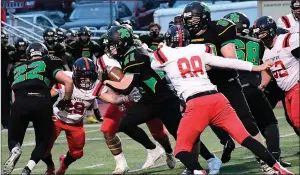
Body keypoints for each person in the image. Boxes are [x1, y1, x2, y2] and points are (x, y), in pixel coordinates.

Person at [150, 24, 293, 175]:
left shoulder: (163, 54)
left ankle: (198, 172)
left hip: (196, 103)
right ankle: (278, 168)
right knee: (245, 138)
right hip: (218, 99)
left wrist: (162, 47)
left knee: (180, 149)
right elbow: (227, 62)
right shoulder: (199, 49)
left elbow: (154, 65)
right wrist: (255, 67)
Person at [182, 2, 264, 172]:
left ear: (204, 17)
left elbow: (231, 60)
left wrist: (210, 64)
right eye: (187, 19)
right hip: (201, 86)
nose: (190, 23)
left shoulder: (220, 28)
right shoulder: (185, 35)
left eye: (194, 18)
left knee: (246, 121)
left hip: (226, 82)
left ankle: (266, 161)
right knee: (192, 128)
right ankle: (193, 167)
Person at [102, 25, 183, 172]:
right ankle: (145, 153)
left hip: (149, 94)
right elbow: (111, 83)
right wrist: (116, 96)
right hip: (128, 95)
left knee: (161, 132)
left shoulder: (137, 50)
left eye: (112, 44)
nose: (110, 48)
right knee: (111, 128)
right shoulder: (107, 58)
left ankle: (170, 152)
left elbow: (129, 80)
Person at [42, 58, 139, 175]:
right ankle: (50, 166)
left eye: (89, 77)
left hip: (76, 123)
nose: (86, 81)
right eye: (82, 77)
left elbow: (112, 99)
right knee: (44, 148)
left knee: (77, 153)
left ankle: (63, 165)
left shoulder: (96, 86)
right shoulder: (65, 79)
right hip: (56, 118)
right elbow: (46, 96)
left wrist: (126, 98)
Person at [224, 12, 292, 172]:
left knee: (247, 127)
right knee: (269, 123)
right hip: (252, 87)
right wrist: (261, 85)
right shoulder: (257, 43)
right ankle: (274, 157)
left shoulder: (222, 44)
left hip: (232, 90)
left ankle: (229, 142)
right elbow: (268, 63)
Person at [97, 53, 176, 173]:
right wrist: (117, 98)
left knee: (158, 132)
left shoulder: (137, 53)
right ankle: (122, 164)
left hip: (145, 96)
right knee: (108, 129)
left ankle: (169, 152)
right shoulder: (104, 60)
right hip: (123, 96)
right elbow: (106, 84)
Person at [2, 42, 73, 175]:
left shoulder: (16, 68)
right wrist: (66, 101)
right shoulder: (49, 62)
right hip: (41, 101)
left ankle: (15, 150)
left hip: (20, 102)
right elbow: (68, 82)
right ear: (44, 53)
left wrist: (17, 109)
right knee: (43, 140)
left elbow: (13, 92)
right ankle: (28, 168)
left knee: (14, 139)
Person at [253, 16, 300, 134]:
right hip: (287, 91)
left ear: (272, 30)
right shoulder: (265, 50)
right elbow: (268, 70)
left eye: (263, 33)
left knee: (298, 120)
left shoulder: (287, 40)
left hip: (297, 85)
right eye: (259, 34)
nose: (261, 37)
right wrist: (263, 84)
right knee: (294, 122)